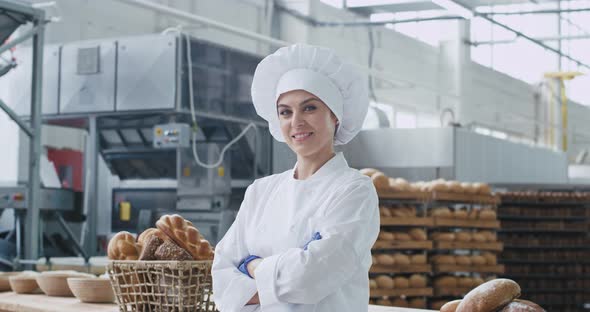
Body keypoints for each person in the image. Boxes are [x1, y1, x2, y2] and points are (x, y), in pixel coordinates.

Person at [211, 43, 379, 312]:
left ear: (335, 116)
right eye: (285, 112)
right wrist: (287, 272)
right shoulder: (260, 191)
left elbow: (312, 276)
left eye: (309, 108)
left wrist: (252, 267)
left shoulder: (354, 190)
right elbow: (221, 274)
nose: (296, 121)